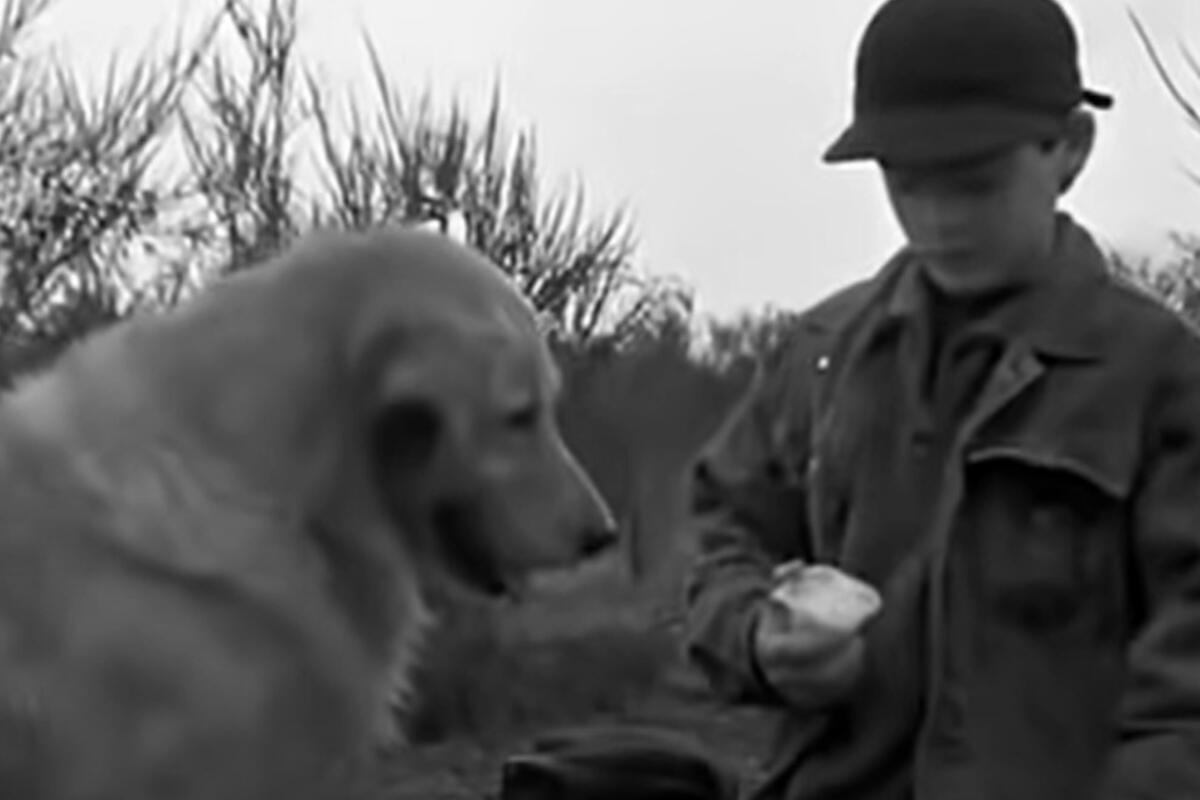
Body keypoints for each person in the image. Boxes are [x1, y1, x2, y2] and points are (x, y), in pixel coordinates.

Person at [682, 0, 1200, 798]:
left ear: (1071, 148)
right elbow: (722, 537)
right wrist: (757, 634)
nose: (938, 219)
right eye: (907, 183)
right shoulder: (821, 355)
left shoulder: (1162, 378)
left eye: (976, 183)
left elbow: (1185, 694)